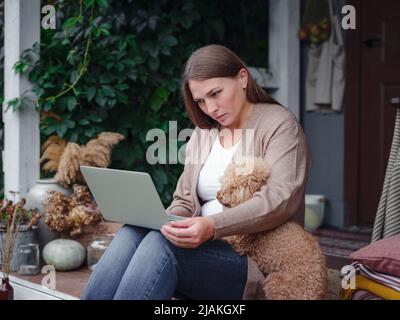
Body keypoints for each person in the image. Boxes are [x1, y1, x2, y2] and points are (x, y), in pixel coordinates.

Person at [81, 44, 312, 300]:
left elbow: (281, 199)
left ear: (242, 78)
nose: (210, 108)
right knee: (133, 231)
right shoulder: (205, 133)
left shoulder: (279, 124)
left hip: (253, 259)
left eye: (216, 93)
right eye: (201, 100)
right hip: (201, 248)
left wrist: (212, 226)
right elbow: (183, 201)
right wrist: (165, 223)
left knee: (161, 246)